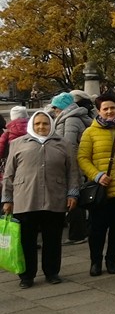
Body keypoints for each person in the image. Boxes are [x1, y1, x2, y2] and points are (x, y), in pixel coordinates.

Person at [2, 111, 79, 287]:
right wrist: (7, 199)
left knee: (52, 238)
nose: (41, 127)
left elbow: (73, 171)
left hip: (54, 197)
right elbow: (9, 174)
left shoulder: (63, 144)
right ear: (32, 125)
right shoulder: (18, 143)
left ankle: (52, 272)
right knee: (26, 240)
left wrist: (72, 193)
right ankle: (26, 276)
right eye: (37, 124)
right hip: (25, 198)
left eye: (45, 123)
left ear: (51, 125)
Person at [77, 93, 115, 276]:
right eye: (105, 109)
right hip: (101, 190)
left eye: (112, 107)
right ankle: (95, 261)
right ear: (99, 111)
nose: (110, 111)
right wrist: (96, 175)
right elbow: (82, 158)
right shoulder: (90, 132)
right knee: (97, 228)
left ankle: (112, 259)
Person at [50, 92, 93, 244]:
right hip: (73, 163)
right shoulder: (70, 117)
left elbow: (68, 145)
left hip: (71, 164)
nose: (54, 110)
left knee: (74, 196)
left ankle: (78, 234)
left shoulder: (70, 120)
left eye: (56, 107)